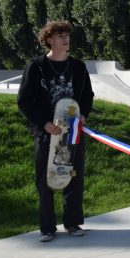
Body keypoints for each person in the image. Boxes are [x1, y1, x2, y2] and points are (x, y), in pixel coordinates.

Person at [17, 20, 94, 242]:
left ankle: (73, 223)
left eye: (67, 35)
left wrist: (83, 114)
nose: (65, 39)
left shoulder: (78, 67)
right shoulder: (36, 66)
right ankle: (47, 228)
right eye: (60, 35)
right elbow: (24, 101)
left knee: (73, 177)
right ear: (49, 39)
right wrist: (44, 123)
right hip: (47, 133)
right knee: (46, 180)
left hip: (72, 133)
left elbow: (87, 96)